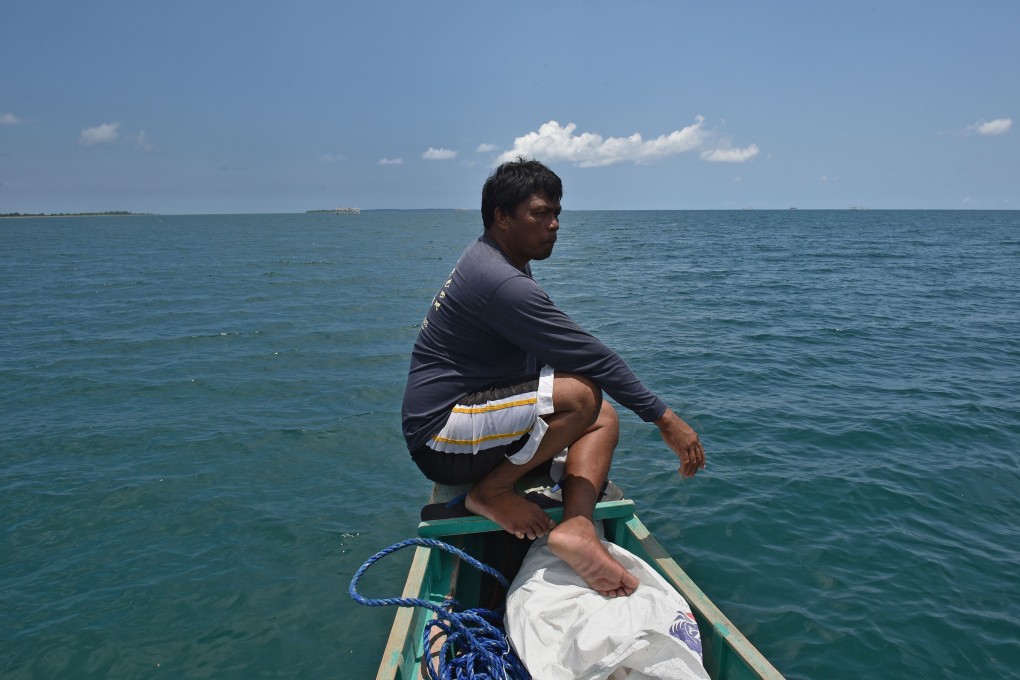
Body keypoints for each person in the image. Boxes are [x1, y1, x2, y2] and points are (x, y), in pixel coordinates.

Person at [401, 157, 705, 598]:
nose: (555, 224)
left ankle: (577, 526)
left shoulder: (499, 260)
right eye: (540, 213)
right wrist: (664, 419)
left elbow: (561, 351)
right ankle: (492, 491)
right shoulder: (500, 282)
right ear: (502, 217)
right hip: (440, 434)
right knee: (582, 396)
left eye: (557, 212)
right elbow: (590, 355)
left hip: (474, 418)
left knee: (602, 416)